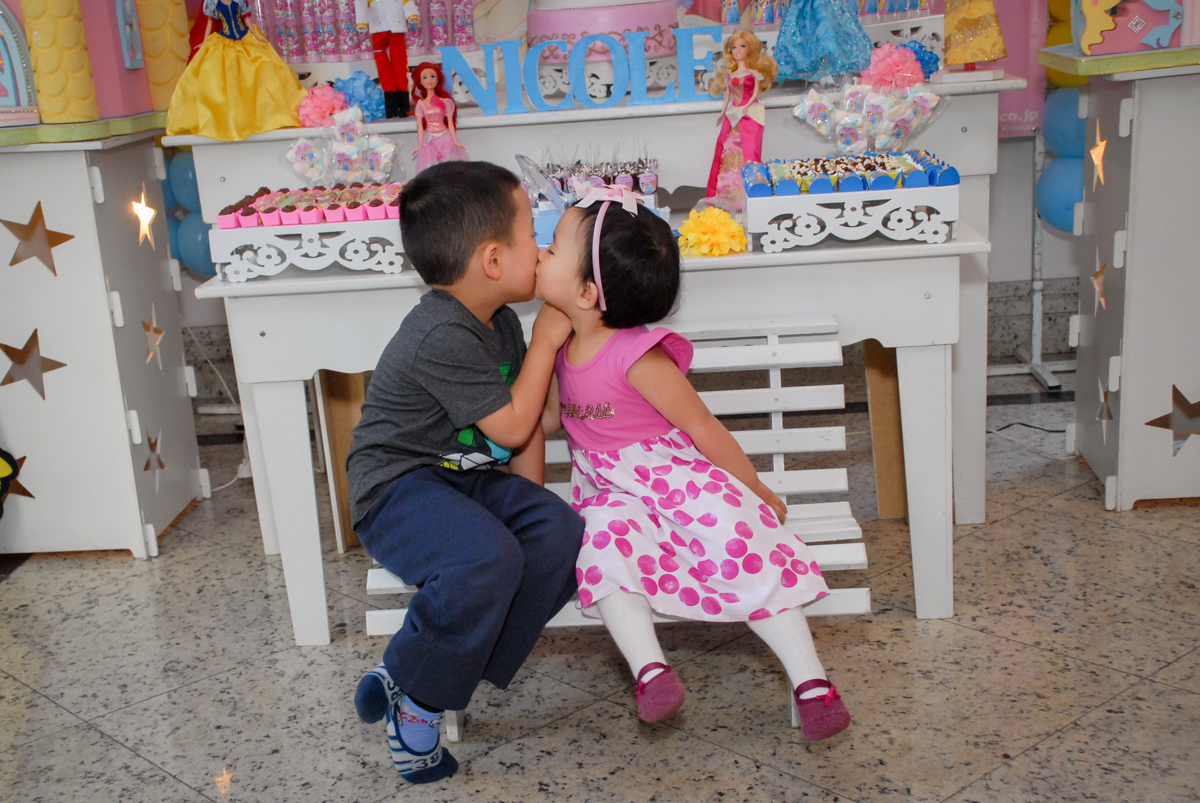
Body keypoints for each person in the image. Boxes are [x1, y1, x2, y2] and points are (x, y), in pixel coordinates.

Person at [535, 186, 853, 741]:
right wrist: (539, 349)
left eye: (553, 247)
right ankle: (650, 671)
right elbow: (544, 424)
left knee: (738, 536)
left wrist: (752, 488)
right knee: (600, 540)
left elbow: (703, 427)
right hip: (612, 497)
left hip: (675, 484)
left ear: (586, 292)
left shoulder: (638, 355)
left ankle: (812, 683)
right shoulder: (561, 349)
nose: (540, 252)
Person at [347, 161, 582, 783]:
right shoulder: (439, 333)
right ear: (493, 260)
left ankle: (426, 669)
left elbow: (537, 421)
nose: (544, 246)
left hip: (464, 479)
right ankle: (417, 698)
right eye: (533, 231)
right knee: (485, 559)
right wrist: (544, 344)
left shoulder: (500, 318)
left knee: (560, 534)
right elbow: (509, 428)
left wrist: (528, 517)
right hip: (398, 488)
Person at [166, 0, 306, 141]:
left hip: (245, 38)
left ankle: (270, 114)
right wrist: (203, 42)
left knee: (262, 69)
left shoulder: (239, 2)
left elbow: (247, 20)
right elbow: (209, 23)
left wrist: (257, 36)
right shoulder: (213, 3)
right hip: (224, 40)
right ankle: (232, 121)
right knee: (223, 77)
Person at [705, 31, 777, 204]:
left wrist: (746, 106)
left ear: (750, 49)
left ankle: (751, 194)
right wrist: (723, 112)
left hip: (750, 113)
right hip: (733, 114)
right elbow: (728, 96)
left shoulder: (753, 74)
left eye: (742, 46)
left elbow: (754, 93)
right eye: (734, 47)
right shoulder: (730, 75)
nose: (738, 50)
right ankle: (726, 194)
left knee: (750, 152)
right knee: (726, 148)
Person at [773, 0, 873, 82]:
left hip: (824, 5)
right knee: (807, 34)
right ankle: (818, 68)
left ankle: (828, 69)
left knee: (827, 33)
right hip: (805, 6)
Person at [410, 62, 469, 174]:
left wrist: (455, 140)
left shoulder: (445, 102)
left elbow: (450, 123)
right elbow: (420, 127)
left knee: (448, 164)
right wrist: (419, 145)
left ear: (438, 79)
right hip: (429, 138)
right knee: (430, 165)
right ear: (421, 82)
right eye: (425, 77)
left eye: (432, 76)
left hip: (445, 136)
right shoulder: (421, 104)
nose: (429, 80)